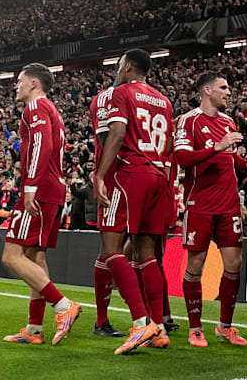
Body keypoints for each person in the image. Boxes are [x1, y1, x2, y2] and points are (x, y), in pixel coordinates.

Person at [95, 49, 175, 354]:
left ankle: (141, 323)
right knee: (147, 254)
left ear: (127, 66)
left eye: (118, 66)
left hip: (132, 174)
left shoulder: (121, 92)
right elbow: (168, 143)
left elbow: (117, 133)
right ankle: (159, 328)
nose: (117, 71)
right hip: (158, 175)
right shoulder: (164, 101)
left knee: (111, 249)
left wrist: (101, 175)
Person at [174, 71, 247, 348]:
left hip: (229, 205)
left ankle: (225, 326)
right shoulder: (188, 121)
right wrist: (216, 146)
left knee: (234, 265)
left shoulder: (227, 121)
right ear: (207, 90)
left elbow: (230, 156)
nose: (228, 92)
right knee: (196, 266)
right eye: (223, 88)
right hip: (200, 204)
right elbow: (182, 158)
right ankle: (195, 328)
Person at [0, 63, 82, 346]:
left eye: (20, 81)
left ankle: (64, 306)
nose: (16, 86)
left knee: (11, 256)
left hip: (41, 189)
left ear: (34, 84)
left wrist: (30, 186)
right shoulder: (51, 110)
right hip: (54, 189)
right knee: (35, 257)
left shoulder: (35, 107)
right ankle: (34, 328)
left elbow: (42, 145)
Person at [87, 84, 126, 339]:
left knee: (144, 248)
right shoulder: (107, 98)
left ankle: (156, 316)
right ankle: (103, 320)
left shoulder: (148, 97)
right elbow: (106, 139)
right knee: (110, 250)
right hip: (115, 181)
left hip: (138, 180)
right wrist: (102, 175)